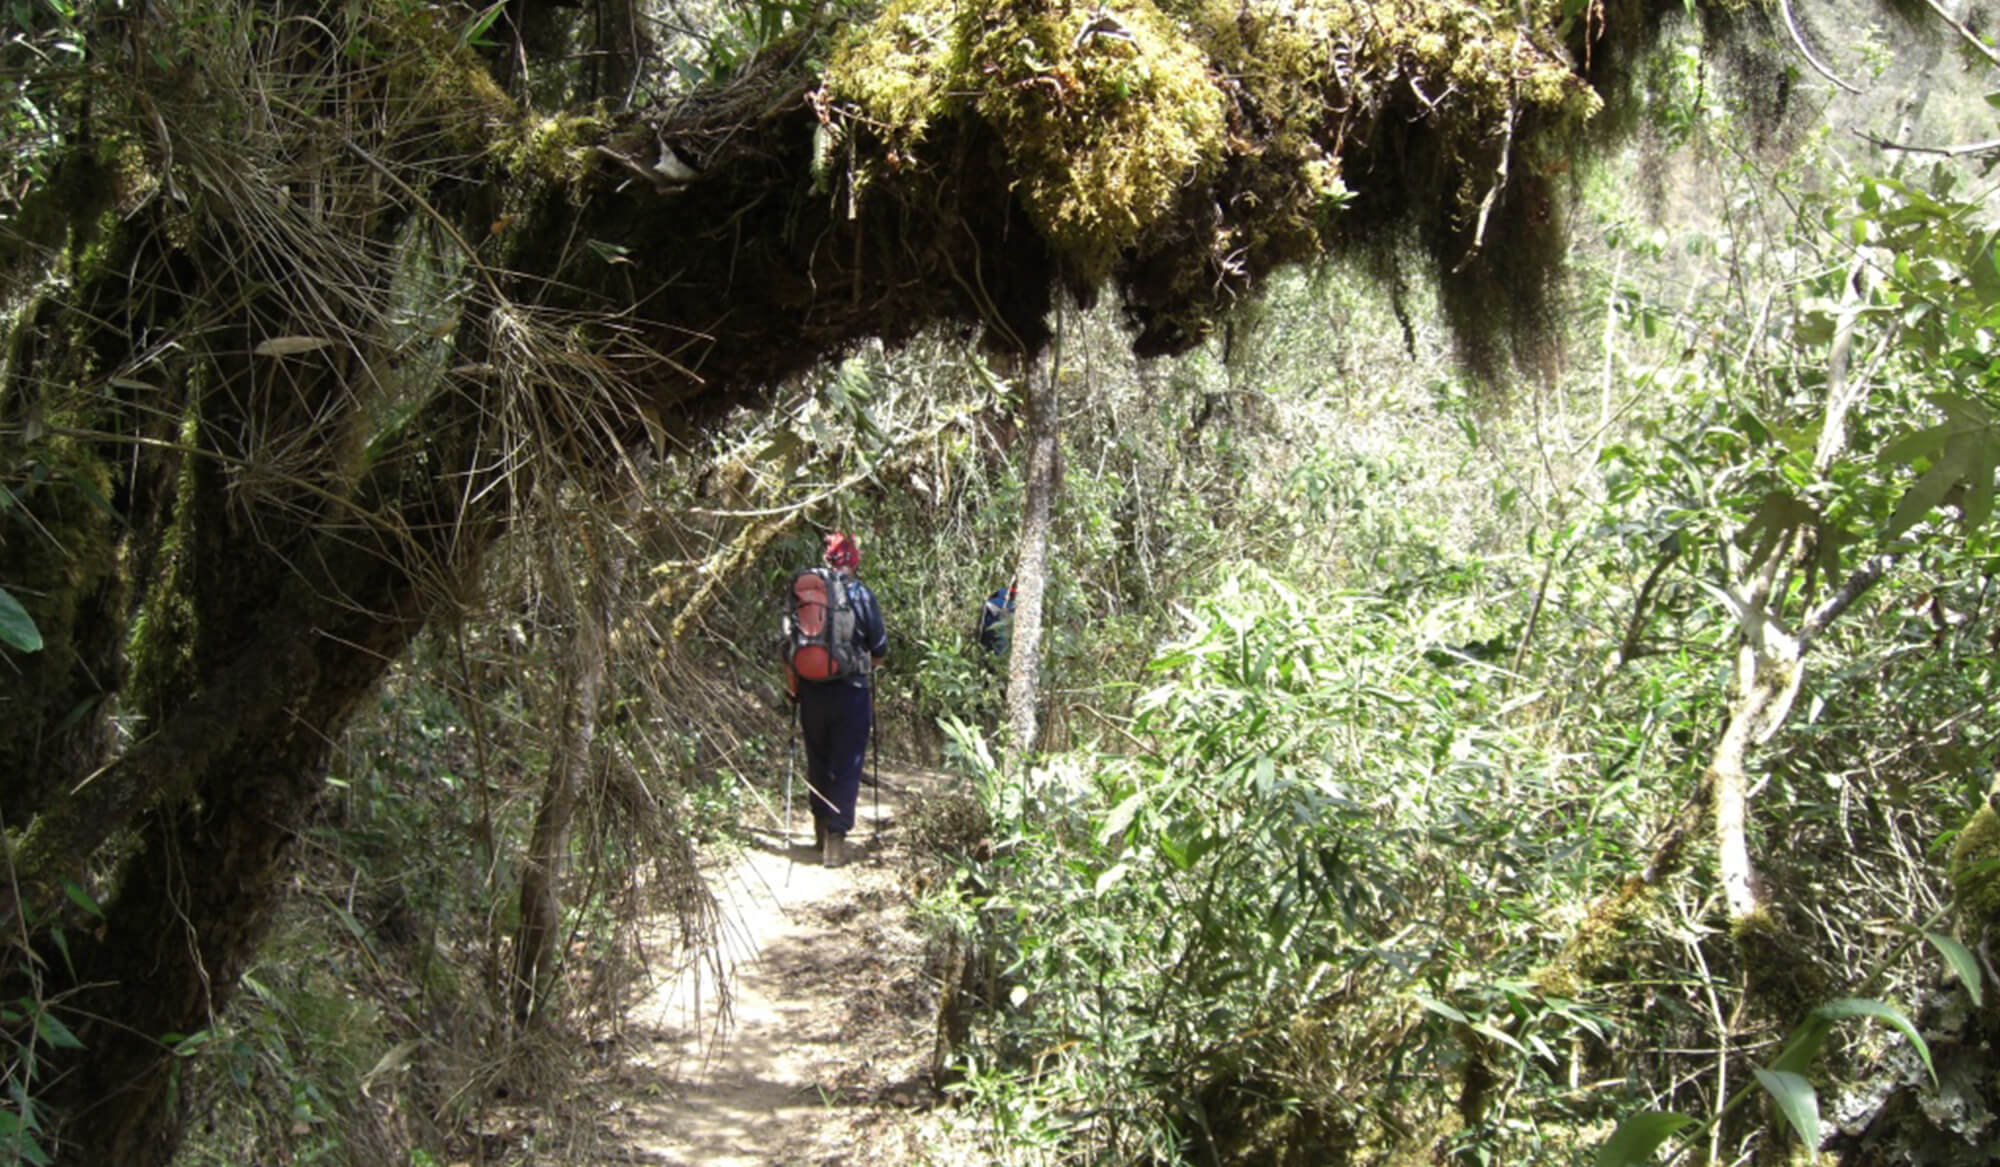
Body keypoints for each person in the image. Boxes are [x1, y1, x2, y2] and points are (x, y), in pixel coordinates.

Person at [787, 531, 887, 868]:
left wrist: (795, 687)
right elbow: (880, 650)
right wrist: (859, 664)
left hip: (811, 691)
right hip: (851, 691)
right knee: (847, 763)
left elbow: (788, 646)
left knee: (819, 759)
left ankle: (818, 827)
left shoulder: (806, 593)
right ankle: (835, 838)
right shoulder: (860, 595)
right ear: (854, 561)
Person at [978, 583, 1016, 656]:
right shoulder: (1010, 604)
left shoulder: (993, 601)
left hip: (992, 632)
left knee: (987, 650)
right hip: (996, 633)